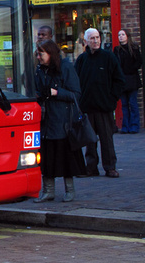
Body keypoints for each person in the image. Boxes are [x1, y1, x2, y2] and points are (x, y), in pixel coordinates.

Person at [34, 40, 85, 202]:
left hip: (63, 122)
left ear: (50, 53)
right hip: (46, 121)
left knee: (66, 157)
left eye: (41, 53)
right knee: (46, 158)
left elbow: (75, 94)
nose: (39, 57)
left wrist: (57, 93)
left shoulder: (65, 67)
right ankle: (48, 191)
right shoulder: (39, 70)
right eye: (38, 53)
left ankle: (69, 190)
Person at [74, 27, 126, 178]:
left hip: (104, 107)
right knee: (89, 140)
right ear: (86, 41)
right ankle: (91, 167)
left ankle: (110, 167)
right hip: (87, 107)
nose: (96, 41)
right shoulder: (82, 60)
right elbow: (75, 81)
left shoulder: (109, 58)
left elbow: (119, 81)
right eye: (92, 38)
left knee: (106, 139)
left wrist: (112, 99)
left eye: (97, 37)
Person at [113, 29, 142, 134]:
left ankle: (134, 125)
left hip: (132, 79)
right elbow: (115, 64)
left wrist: (130, 70)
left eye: (122, 34)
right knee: (124, 104)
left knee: (133, 103)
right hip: (122, 80)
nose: (120, 37)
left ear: (127, 36)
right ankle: (125, 126)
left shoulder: (133, 48)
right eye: (119, 35)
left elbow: (139, 61)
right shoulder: (117, 50)